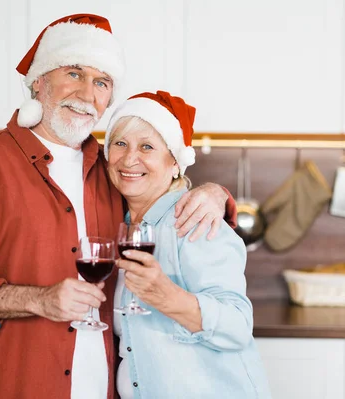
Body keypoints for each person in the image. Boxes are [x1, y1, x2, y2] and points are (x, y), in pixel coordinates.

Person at [0, 14, 234, 399]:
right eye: (74, 73)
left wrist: (216, 193)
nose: (87, 94)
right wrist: (38, 300)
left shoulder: (115, 170)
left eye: (101, 82)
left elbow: (164, 194)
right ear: (39, 81)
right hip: (9, 385)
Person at [105, 90, 273, 399]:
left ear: (174, 164)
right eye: (120, 143)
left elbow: (237, 326)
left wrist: (168, 297)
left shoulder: (193, 219)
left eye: (147, 147)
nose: (129, 158)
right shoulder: (118, 222)